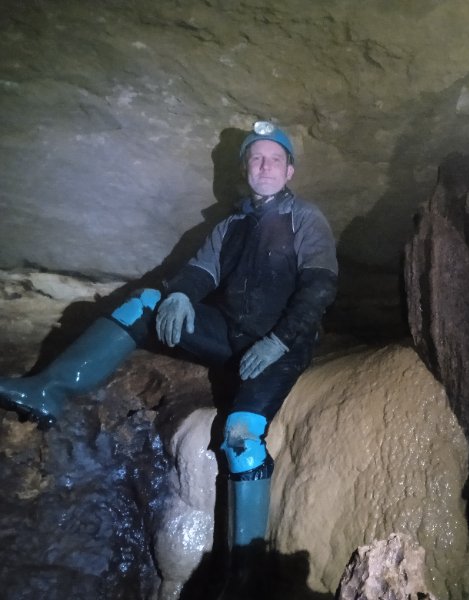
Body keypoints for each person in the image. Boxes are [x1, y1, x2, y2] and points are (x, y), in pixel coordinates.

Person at [0, 121, 338, 598]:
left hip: (282, 343)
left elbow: (320, 285)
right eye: (256, 159)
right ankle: (49, 390)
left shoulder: (305, 218)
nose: (265, 167)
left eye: (274, 160)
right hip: (230, 334)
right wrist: (179, 294)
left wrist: (281, 340)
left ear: (289, 170)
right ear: (246, 168)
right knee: (145, 303)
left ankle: (245, 575)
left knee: (241, 438)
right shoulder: (230, 224)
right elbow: (200, 270)